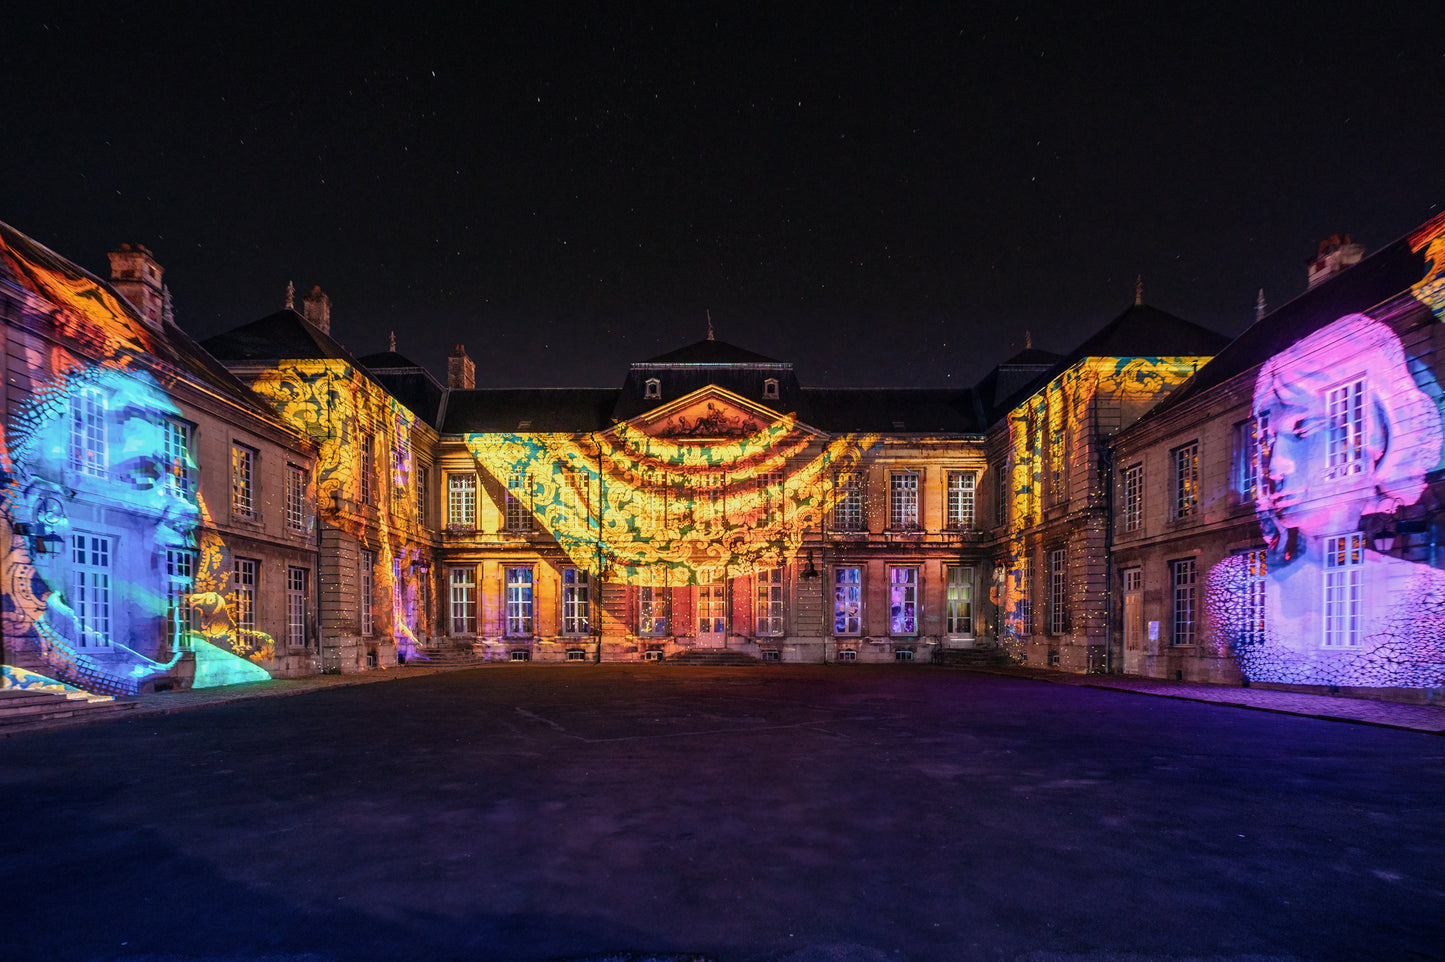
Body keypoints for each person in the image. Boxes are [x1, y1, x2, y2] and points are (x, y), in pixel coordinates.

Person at [1207, 312, 1445, 687]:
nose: (1275, 467)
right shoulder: (1234, 585)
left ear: (1376, 435)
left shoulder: (1429, 596)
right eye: (1267, 443)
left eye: (1303, 431)